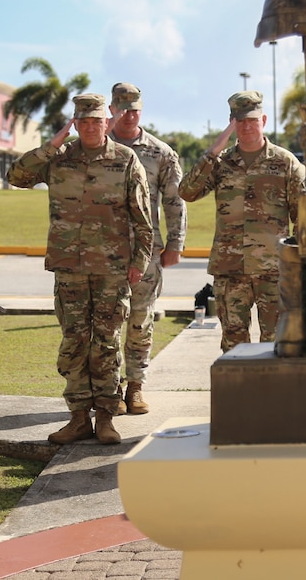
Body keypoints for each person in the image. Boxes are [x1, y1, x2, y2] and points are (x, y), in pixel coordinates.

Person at [8, 93, 153, 445]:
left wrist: (139, 262)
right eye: (82, 121)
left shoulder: (125, 159)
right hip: (69, 266)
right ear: (75, 122)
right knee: (74, 341)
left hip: (111, 267)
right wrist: (54, 142)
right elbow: (17, 176)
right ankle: (77, 418)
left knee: (105, 341)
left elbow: (143, 218)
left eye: (96, 120)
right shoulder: (59, 159)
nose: (90, 127)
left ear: (108, 122)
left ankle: (105, 416)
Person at [179, 91, 304, 353]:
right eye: (240, 121)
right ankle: (240, 395)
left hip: (274, 270)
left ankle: (272, 394)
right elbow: (187, 192)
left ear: (264, 120)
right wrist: (213, 151)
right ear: (231, 122)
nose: (247, 126)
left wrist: (300, 266)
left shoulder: (285, 162)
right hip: (230, 268)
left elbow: (302, 218)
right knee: (234, 344)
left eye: (252, 120)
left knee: (276, 342)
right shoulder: (221, 162)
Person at [107, 82, 186, 415]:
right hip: (103, 252)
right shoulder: (95, 146)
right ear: (111, 109)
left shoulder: (159, 152)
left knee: (141, 320)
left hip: (147, 251)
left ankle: (136, 386)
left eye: (135, 108)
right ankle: (110, 389)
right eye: (123, 108)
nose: (129, 114)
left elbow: (174, 200)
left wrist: (175, 243)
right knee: (106, 324)